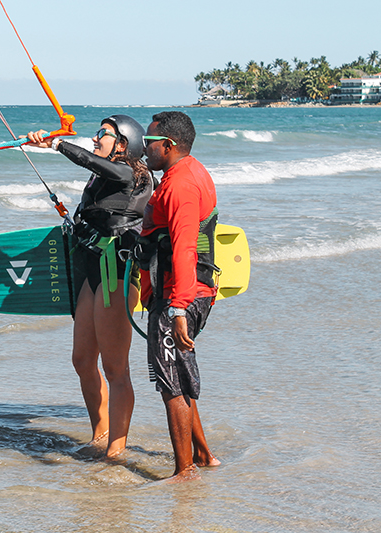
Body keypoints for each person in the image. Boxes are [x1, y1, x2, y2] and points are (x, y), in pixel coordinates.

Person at [27, 115, 154, 458]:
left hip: (118, 272)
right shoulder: (100, 177)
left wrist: (57, 144)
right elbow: (96, 171)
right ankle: (99, 435)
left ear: (123, 144)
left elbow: (97, 162)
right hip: (92, 270)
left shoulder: (131, 174)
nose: (96, 139)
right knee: (82, 360)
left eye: (103, 134)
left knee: (115, 368)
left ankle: (116, 450)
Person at [139, 111, 222, 480]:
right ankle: (203, 455)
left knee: (170, 382)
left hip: (181, 295)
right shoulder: (186, 172)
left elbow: (186, 246)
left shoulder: (180, 185)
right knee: (180, 375)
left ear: (168, 146)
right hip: (179, 291)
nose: (145, 149)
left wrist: (177, 307)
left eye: (149, 143)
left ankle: (184, 473)